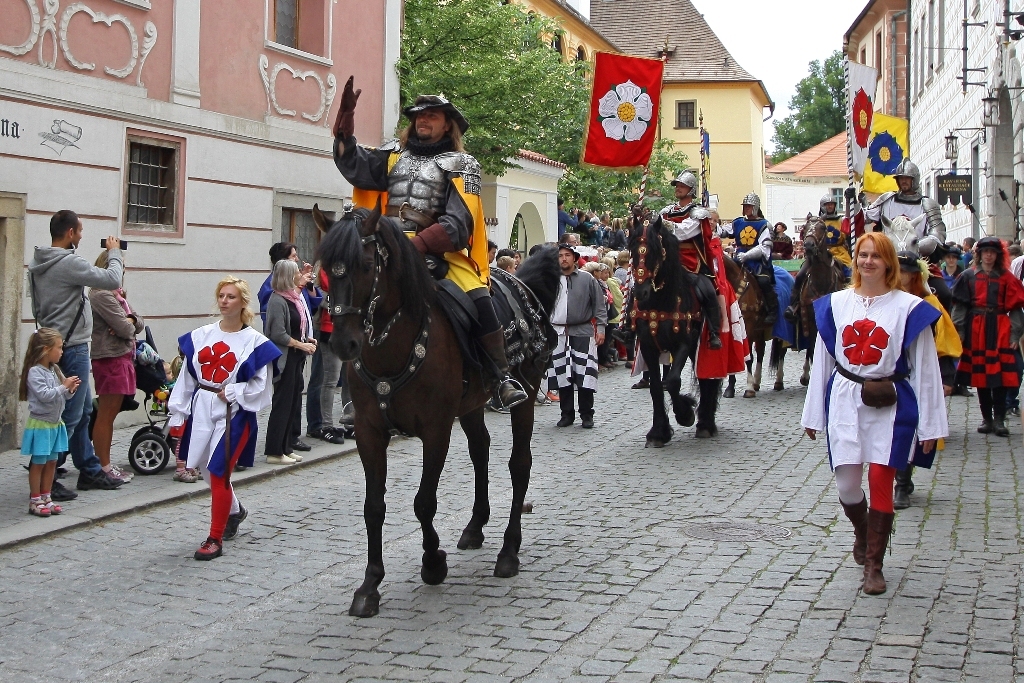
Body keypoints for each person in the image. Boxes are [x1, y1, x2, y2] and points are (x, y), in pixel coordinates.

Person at [331, 78, 527, 409]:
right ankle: (360, 392)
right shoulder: (393, 154)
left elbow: (459, 220)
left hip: (438, 251)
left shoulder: (463, 164)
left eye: (432, 116)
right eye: (419, 116)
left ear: (448, 124)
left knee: (479, 298)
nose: (423, 121)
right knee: (356, 293)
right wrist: (345, 118)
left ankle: (500, 375)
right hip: (384, 245)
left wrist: (417, 246)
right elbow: (353, 164)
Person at [802, 232, 946, 595]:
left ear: (888, 263)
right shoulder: (834, 304)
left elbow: (926, 369)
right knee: (847, 485)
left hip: (890, 402)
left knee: (882, 478)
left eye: (875, 256)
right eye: (862, 255)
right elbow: (824, 361)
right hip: (846, 398)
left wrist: (932, 425)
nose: (868, 262)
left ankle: (874, 566)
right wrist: (813, 414)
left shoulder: (908, 308)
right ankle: (863, 533)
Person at [168, 276, 281, 560]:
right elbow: (187, 377)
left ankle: (214, 538)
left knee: (218, 473)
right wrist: (178, 413)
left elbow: (261, 387)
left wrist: (233, 391)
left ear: (242, 303)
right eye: (221, 295)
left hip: (234, 414)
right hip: (202, 408)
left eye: (231, 297)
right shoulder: (201, 335)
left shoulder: (255, 342)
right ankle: (235, 510)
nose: (224, 301)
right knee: (207, 470)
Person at [28, 210, 124, 496]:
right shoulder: (68, 262)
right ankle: (48, 474)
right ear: (70, 233)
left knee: (81, 411)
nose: (81, 236)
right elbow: (111, 279)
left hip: (55, 341)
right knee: (69, 414)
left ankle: (89, 469)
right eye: (80, 231)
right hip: (73, 345)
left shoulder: (38, 262)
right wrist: (114, 252)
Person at [893, 251, 963, 509]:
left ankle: (902, 483)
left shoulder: (929, 303)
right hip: (887, 375)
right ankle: (899, 476)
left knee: (911, 428)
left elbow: (942, 342)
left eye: (904, 272)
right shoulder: (882, 299)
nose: (899, 277)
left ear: (914, 276)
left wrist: (946, 377)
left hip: (919, 374)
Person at [850, 158, 951, 307]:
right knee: (859, 289)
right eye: (901, 179)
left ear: (914, 180)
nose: (903, 182)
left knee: (944, 294)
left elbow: (938, 233)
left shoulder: (927, 204)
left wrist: (913, 246)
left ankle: (942, 328)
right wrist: (853, 203)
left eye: (907, 179)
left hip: (918, 260)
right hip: (886, 259)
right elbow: (863, 218)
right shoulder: (886, 200)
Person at [951, 236, 1024, 437]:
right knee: (981, 375)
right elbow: (960, 307)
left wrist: (1015, 335)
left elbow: (1016, 310)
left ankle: (1000, 419)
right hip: (976, 328)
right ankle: (987, 419)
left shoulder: (1007, 279)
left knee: (1000, 375)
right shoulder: (968, 276)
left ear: (997, 255)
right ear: (980, 254)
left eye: (992, 252)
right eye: (985, 252)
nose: (989, 256)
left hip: (1000, 327)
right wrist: (960, 332)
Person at [257, 241, 320, 453]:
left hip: (298, 351)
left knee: (294, 395)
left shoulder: (294, 289)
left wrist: (306, 284)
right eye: (293, 256)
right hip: (286, 352)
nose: (298, 259)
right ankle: (280, 445)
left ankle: (288, 442)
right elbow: (278, 328)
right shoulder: (275, 291)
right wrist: (300, 343)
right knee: (284, 400)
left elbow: (313, 304)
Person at [89, 250, 145, 484]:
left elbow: (137, 322)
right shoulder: (101, 294)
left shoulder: (117, 295)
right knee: (106, 415)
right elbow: (126, 329)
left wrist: (130, 320)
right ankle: (104, 466)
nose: (122, 271)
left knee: (109, 414)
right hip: (110, 358)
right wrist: (128, 323)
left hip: (121, 357)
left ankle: (105, 464)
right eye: (119, 266)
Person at [659, 171, 723, 348]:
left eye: (682, 185)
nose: (678, 188)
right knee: (640, 284)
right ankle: (630, 327)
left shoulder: (698, 213)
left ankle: (713, 332)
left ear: (691, 189)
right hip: (665, 260)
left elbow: (682, 232)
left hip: (689, 262)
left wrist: (661, 223)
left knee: (708, 291)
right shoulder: (667, 211)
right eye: (677, 185)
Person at [20, 328, 80, 516]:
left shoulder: (54, 369)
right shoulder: (35, 372)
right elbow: (45, 396)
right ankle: (35, 499)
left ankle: (47, 496)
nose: (62, 351)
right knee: (38, 462)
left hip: (55, 423)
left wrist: (70, 390)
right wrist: (64, 387)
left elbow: (61, 397)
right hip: (41, 425)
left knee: (52, 462)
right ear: (46, 349)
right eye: (59, 348)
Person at [548, 243, 607, 428]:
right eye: (560, 256)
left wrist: (602, 329)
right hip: (558, 332)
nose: (563, 259)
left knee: (584, 375)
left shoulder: (587, 279)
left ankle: (586, 414)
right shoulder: (551, 280)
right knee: (562, 375)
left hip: (582, 331)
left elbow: (599, 306)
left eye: (567, 255)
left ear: (574, 258)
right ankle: (566, 414)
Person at [722, 192, 779, 325]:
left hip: (758, 264)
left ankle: (771, 310)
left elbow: (765, 247)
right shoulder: (738, 222)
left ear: (755, 207)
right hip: (739, 261)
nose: (746, 208)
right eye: (745, 206)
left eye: (749, 206)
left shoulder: (764, 224)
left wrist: (747, 255)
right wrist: (711, 225)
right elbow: (723, 231)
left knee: (764, 282)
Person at [309, 266, 348, 445]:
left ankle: (349, 419)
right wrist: (340, 302)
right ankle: (326, 425)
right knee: (329, 380)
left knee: (348, 378)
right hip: (327, 328)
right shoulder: (322, 266)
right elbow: (318, 294)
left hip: (349, 329)